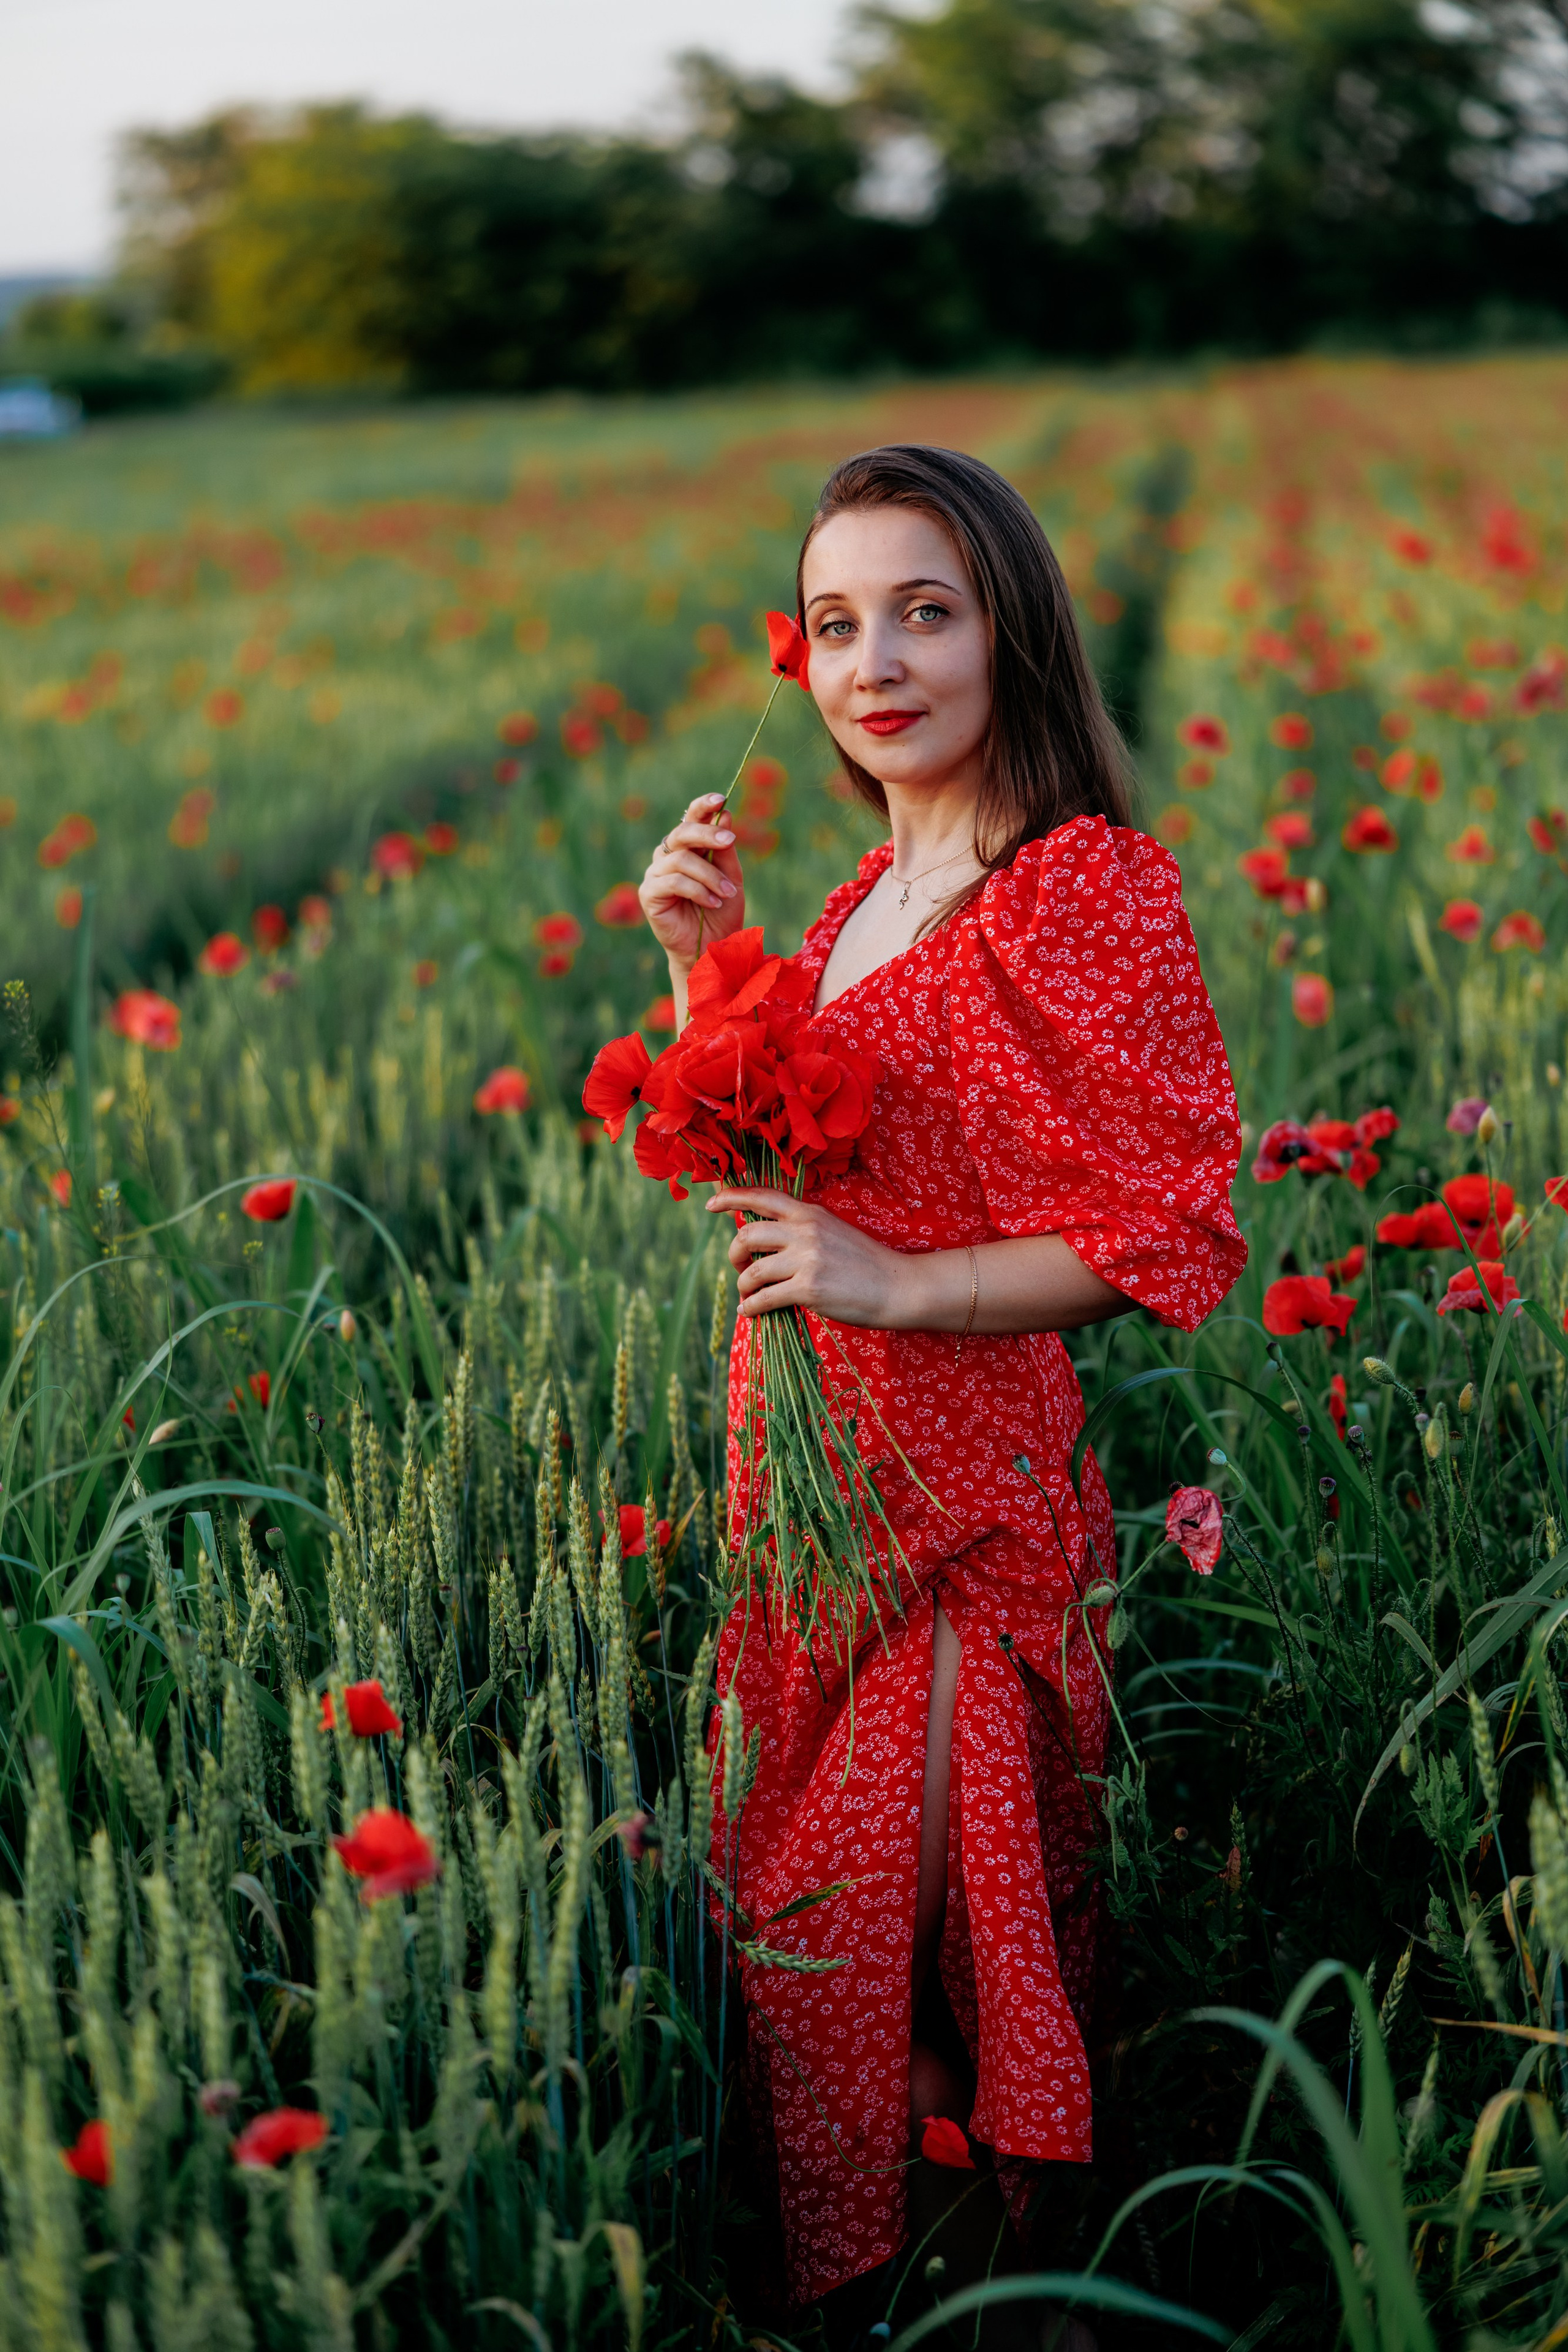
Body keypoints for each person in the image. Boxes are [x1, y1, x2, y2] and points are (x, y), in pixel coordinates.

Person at [636, 445, 1245, 2335]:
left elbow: (1170, 1226)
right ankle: (920, 2301)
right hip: (817, 1503)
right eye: (835, 621)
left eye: (926, 608)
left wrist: (901, 1283)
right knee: (846, 1965)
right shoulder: (846, 914)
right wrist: (699, 977)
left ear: (1013, 631)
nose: (875, 659)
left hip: (965, 1520)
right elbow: (768, 1165)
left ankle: (969, 2296)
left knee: (862, 1930)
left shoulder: (1080, 889)